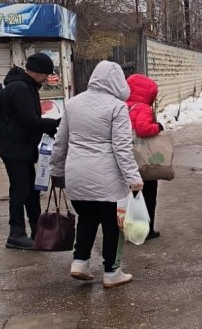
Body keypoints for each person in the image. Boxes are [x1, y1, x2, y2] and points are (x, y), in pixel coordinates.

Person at [49, 60, 143, 288]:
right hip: (107, 179)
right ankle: (112, 272)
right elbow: (122, 147)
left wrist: (56, 171)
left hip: (77, 176)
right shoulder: (117, 107)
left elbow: (60, 142)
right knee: (113, 226)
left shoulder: (73, 104)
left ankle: (80, 262)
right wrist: (133, 177)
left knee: (87, 219)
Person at [0, 52, 61, 250]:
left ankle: (36, 230)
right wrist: (54, 124)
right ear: (38, 72)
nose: (46, 79)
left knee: (31, 191)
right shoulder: (20, 88)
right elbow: (29, 121)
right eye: (46, 74)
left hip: (21, 147)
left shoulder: (25, 86)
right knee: (20, 191)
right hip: (14, 148)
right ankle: (16, 234)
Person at [126, 74, 164, 240]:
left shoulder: (122, 106)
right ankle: (146, 229)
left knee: (131, 195)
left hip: (126, 158)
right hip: (143, 159)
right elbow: (142, 129)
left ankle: (129, 226)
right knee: (148, 194)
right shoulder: (142, 108)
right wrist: (158, 127)